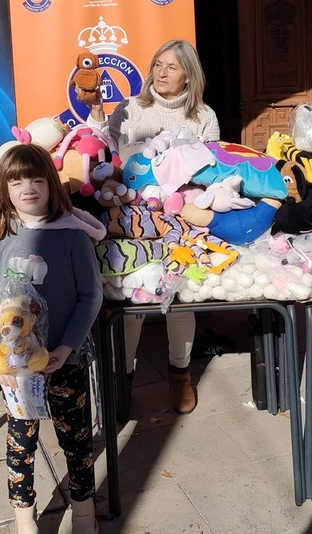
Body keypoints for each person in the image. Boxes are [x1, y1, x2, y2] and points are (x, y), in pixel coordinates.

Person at [0, 143, 104, 534]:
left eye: (36, 179)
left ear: (50, 183)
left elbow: (89, 296)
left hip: (66, 361)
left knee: (77, 441)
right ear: (4, 188)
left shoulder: (73, 236)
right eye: (16, 181)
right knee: (19, 446)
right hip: (15, 368)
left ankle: (84, 511)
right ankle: (24, 519)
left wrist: (67, 348)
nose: (27, 188)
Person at [85, 38, 219, 414]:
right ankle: (124, 378)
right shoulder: (131, 108)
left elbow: (212, 169)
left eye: (171, 67)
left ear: (189, 76)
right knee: (131, 293)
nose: (161, 72)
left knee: (179, 294)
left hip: (179, 216)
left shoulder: (203, 116)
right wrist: (97, 111)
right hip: (131, 216)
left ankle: (180, 376)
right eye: (158, 64)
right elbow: (100, 149)